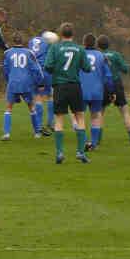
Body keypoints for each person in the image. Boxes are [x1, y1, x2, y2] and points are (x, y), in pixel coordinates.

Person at [43, 23, 93, 164]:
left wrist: (57, 71)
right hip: (74, 86)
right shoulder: (79, 49)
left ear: (60, 34)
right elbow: (87, 68)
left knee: (59, 119)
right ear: (73, 34)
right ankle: (80, 152)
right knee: (80, 117)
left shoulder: (55, 47)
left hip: (59, 86)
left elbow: (47, 66)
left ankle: (59, 153)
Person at [1, 33, 45, 140]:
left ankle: (6, 134)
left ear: (13, 41)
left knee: (8, 108)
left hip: (13, 83)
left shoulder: (7, 53)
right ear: (23, 41)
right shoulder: (29, 53)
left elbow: (5, 70)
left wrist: (8, 80)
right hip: (26, 84)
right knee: (31, 108)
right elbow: (36, 69)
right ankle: (37, 132)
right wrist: (40, 82)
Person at [98, 34, 130, 145]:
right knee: (124, 111)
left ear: (98, 45)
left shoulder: (98, 55)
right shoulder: (116, 55)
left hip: (103, 85)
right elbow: (125, 69)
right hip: (116, 84)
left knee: (100, 112)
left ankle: (97, 140)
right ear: (109, 44)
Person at [79, 34, 113, 151]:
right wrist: (111, 91)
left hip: (81, 90)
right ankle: (93, 144)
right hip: (97, 91)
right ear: (95, 43)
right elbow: (108, 76)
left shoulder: (79, 54)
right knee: (96, 116)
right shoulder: (101, 56)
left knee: (79, 117)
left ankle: (83, 142)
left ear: (84, 43)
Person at [29, 31, 55, 136]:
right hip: (45, 71)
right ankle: (50, 122)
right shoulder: (48, 42)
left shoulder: (31, 41)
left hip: (35, 71)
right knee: (50, 96)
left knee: (37, 98)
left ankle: (38, 128)